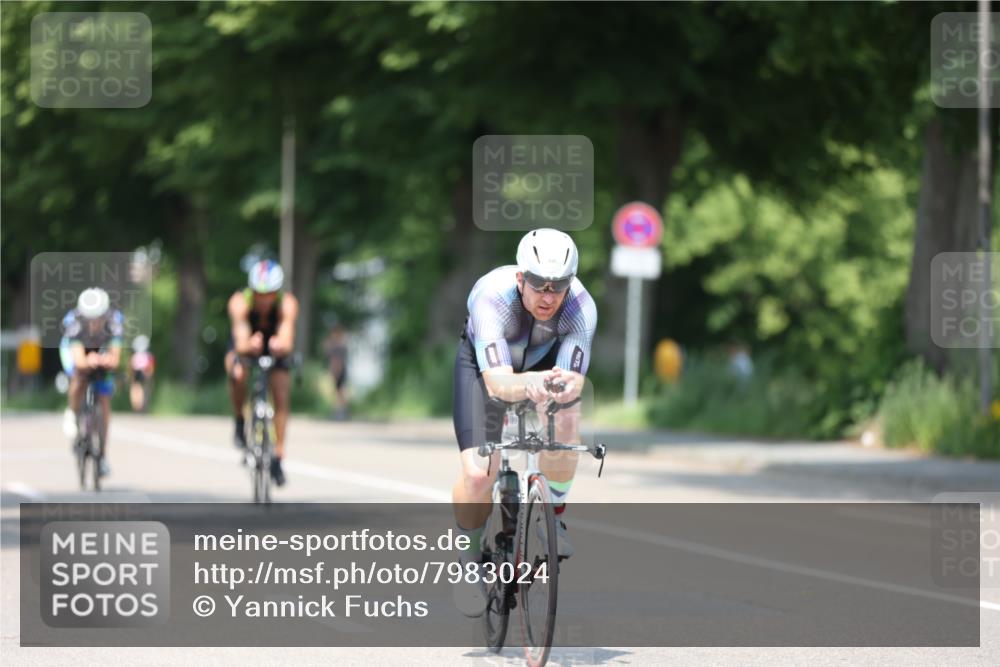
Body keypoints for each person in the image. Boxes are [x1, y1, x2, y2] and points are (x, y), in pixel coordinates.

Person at [451, 228, 597, 617]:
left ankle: (555, 517)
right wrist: (530, 382)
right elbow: (497, 384)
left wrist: (564, 388)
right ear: (521, 279)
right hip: (486, 371)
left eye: (558, 286)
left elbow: (575, 379)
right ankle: (468, 557)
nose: (548, 297)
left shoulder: (581, 307)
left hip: (540, 368)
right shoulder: (491, 298)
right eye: (538, 285)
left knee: (569, 416)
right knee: (480, 475)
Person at [224, 259, 299, 486]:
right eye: (259, 293)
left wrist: (280, 346)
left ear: (276, 292)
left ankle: (278, 455)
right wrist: (249, 346)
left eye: (269, 294)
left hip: (274, 345)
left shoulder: (287, 303)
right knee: (237, 372)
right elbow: (240, 340)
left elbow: (287, 338)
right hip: (247, 342)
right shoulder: (239, 303)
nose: (264, 299)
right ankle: (239, 419)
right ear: (251, 290)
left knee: (281, 392)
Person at [60, 287, 124, 478]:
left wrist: (107, 361)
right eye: (90, 319)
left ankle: (102, 456)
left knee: (104, 399)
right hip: (77, 350)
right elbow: (79, 360)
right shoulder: (73, 323)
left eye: (98, 319)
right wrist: (88, 362)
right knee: (78, 378)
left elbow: (115, 357)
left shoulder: (115, 321)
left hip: (100, 349)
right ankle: (72, 412)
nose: (94, 323)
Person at [322, 323, 350, 420]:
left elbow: (337, 361)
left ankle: (341, 411)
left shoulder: (339, 346)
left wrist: (335, 372)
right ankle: (340, 411)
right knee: (339, 391)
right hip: (338, 370)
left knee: (341, 391)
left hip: (339, 371)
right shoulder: (339, 345)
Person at [128, 334, 156, 412]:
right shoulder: (148, 355)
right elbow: (151, 366)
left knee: (136, 388)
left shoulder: (135, 355)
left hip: (138, 372)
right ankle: (140, 405)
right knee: (143, 389)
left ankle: (137, 405)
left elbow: (131, 366)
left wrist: (131, 375)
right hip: (144, 372)